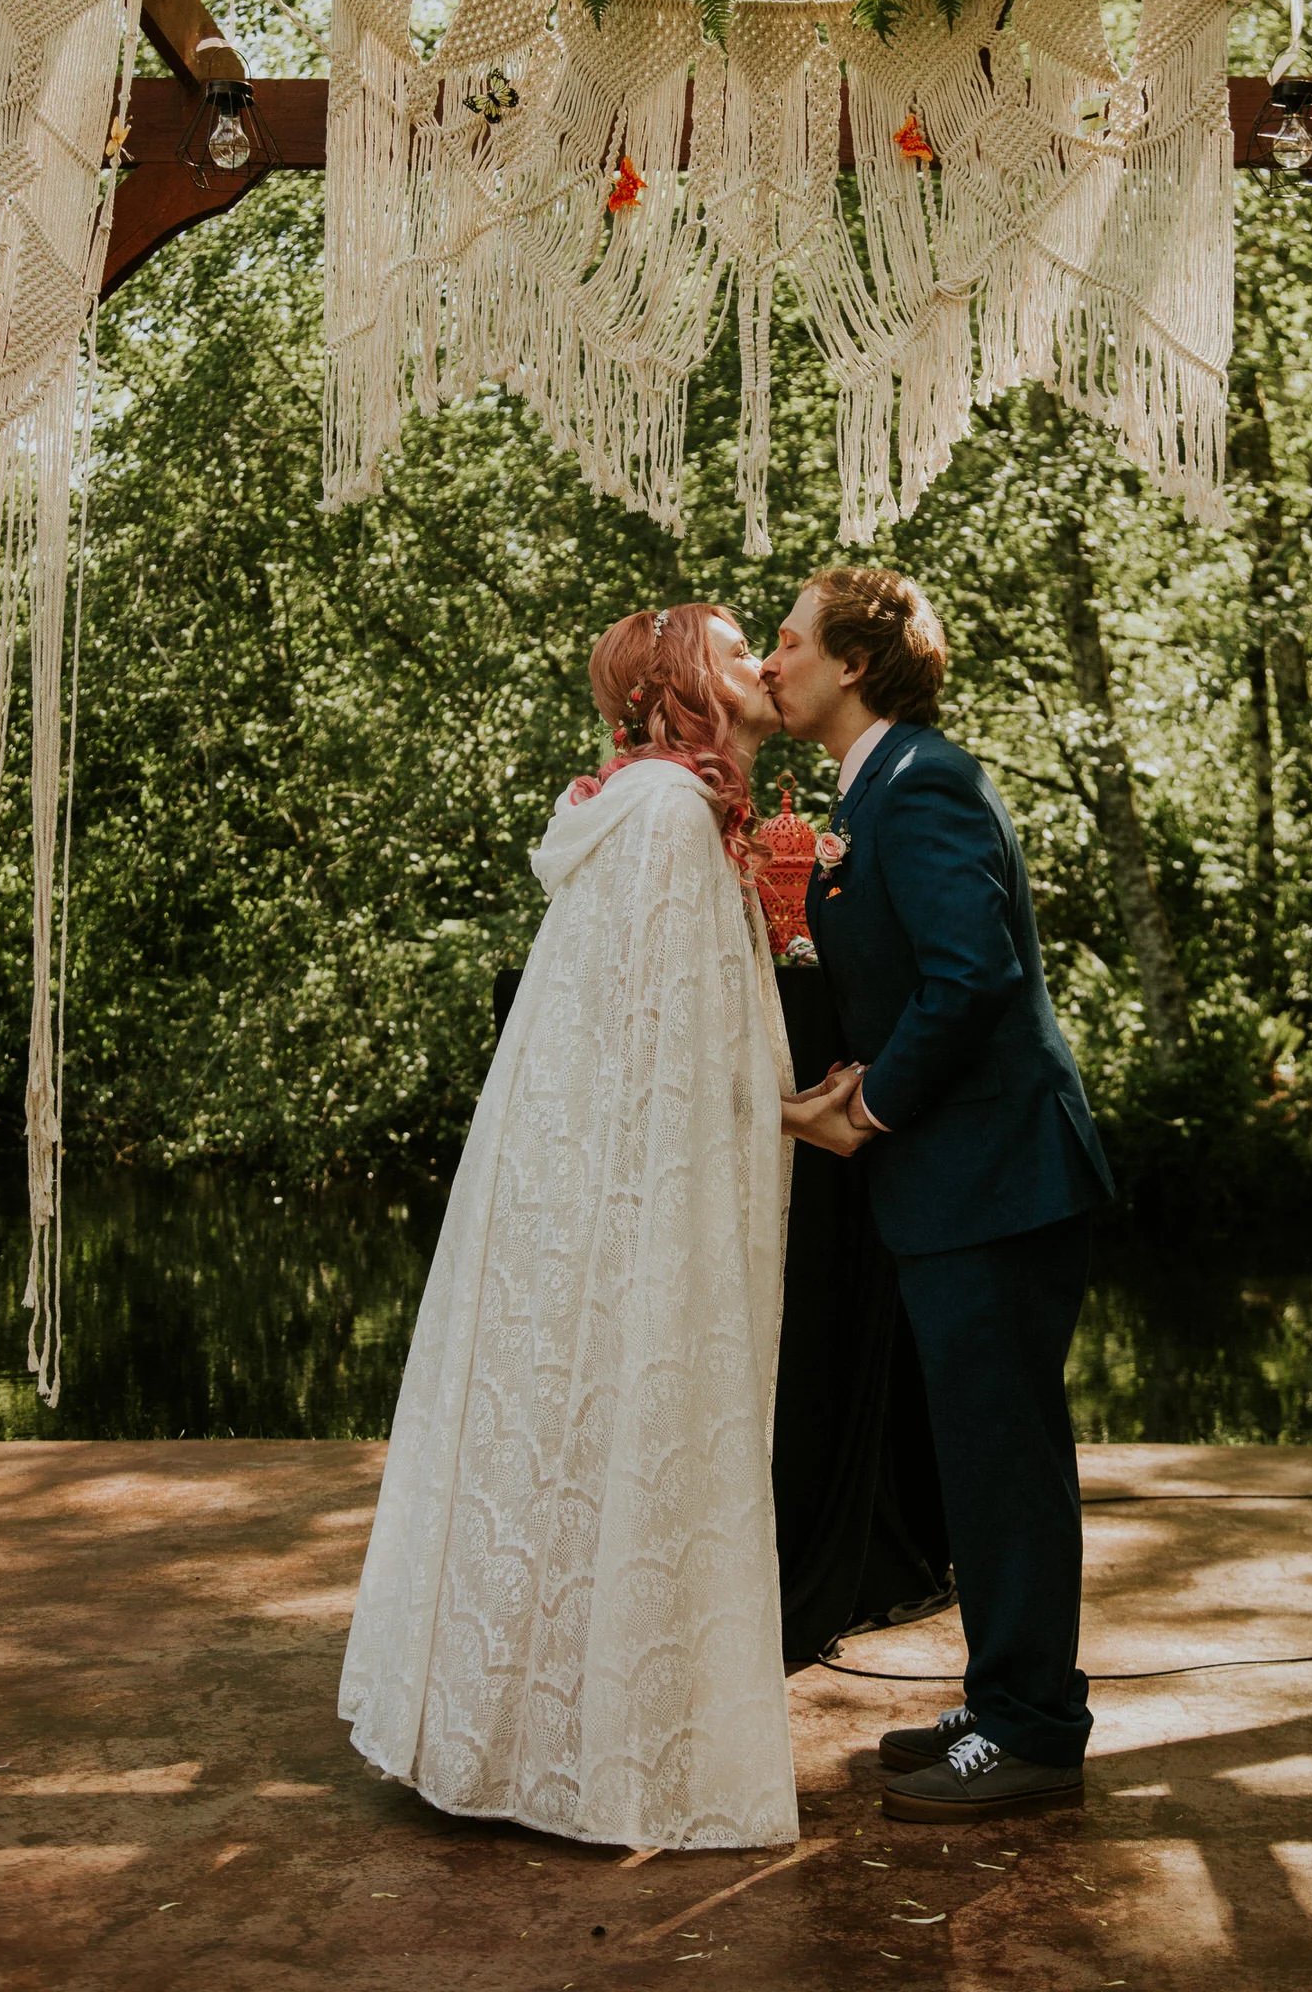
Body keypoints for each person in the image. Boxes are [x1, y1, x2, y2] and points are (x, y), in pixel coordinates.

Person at [339, 602, 858, 1851]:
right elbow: (671, 1053)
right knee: (625, 1432)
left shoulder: (644, 811)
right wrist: (800, 1119)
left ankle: (514, 1727)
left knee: (573, 1447)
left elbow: (665, 1037)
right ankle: (591, 1749)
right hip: (629, 1203)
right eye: (738, 650)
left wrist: (781, 1107)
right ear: (686, 680)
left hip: (588, 1186)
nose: (763, 665)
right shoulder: (671, 821)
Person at [761, 567, 1113, 1823]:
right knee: (978, 1457)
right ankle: (1004, 1694)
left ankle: (1035, 1736)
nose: (769, 662)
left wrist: (864, 1108)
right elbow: (917, 987)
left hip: (1000, 1182)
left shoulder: (927, 786)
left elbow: (975, 981)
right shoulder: (876, 793)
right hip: (961, 1184)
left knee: (1007, 1460)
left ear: (853, 663)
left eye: (789, 641)